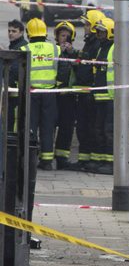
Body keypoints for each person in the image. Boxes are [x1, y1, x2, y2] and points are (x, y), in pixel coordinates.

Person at [20, 18, 59, 170]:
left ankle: (30, 159)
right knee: (48, 127)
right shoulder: (55, 48)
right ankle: (47, 161)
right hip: (50, 93)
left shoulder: (24, 49)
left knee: (31, 126)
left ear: (28, 33)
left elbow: (19, 72)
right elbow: (63, 70)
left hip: (31, 94)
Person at [73, 9, 107, 171]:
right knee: (83, 128)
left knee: (93, 128)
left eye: (87, 24)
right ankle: (84, 159)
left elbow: (91, 66)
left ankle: (94, 159)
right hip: (85, 93)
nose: (85, 27)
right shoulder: (90, 42)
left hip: (91, 93)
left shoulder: (97, 44)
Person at [86, 18, 115, 175]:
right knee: (98, 129)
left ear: (110, 32)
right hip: (100, 96)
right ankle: (99, 159)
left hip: (111, 97)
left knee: (108, 130)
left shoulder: (115, 49)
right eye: (98, 31)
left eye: (102, 31)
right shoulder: (101, 48)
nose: (99, 34)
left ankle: (110, 163)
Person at [52, 21, 80, 170]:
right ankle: (46, 156)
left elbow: (80, 68)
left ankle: (62, 158)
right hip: (53, 95)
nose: (64, 39)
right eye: (62, 35)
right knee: (49, 127)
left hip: (68, 97)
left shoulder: (75, 54)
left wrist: (71, 53)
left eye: (67, 36)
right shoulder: (52, 51)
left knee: (66, 128)